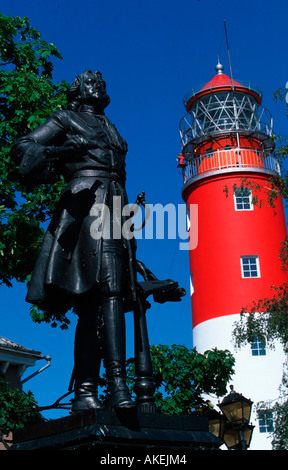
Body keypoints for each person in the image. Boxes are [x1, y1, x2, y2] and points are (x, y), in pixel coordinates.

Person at [11, 70, 140, 412]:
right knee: (102, 294)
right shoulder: (66, 117)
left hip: (117, 204)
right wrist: (63, 150)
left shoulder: (110, 127)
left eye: (102, 81)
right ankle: (114, 385)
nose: (99, 85)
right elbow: (24, 146)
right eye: (91, 82)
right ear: (79, 90)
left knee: (108, 295)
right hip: (87, 204)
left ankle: (90, 389)